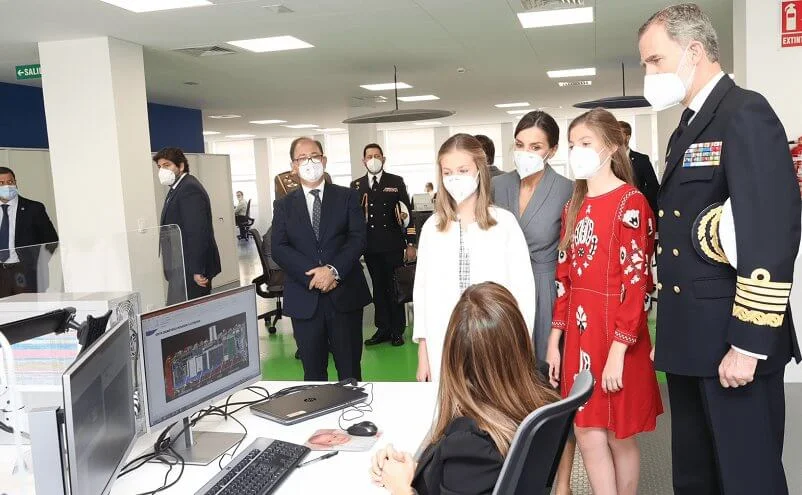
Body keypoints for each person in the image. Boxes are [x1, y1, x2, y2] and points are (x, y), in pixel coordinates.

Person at [639, 5, 801, 494]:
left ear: (693, 51)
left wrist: (748, 343)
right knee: (696, 477)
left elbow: (771, 232)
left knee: (746, 477)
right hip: (691, 342)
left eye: (653, 60)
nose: (648, 73)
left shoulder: (744, 112)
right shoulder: (687, 127)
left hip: (733, 344)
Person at [546, 108, 663, 495]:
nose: (576, 151)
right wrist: (554, 341)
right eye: (573, 145)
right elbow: (564, 280)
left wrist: (618, 349)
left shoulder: (631, 203)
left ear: (611, 148)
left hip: (617, 334)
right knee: (585, 430)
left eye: (586, 144)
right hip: (579, 333)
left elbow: (637, 282)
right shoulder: (573, 207)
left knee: (618, 434)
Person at [370, 282, 558, 495]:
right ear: (518, 339)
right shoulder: (540, 389)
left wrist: (401, 488)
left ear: (454, 355)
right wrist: (416, 471)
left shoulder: (471, 447)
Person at [491, 110, 574, 495]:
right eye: (520, 145)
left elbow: (572, 255)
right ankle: (509, 474)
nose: (525, 153)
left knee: (548, 389)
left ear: (552, 150)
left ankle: (560, 484)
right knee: (504, 381)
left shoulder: (568, 189)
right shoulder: (496, 186)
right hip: (503, 290)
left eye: (536, 146)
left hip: (546, 288)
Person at [412, 133, 536, 383]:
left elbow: (524, 291)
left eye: (462, 170)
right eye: (447, 172)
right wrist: (423, 351)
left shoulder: (504, 224)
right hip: (444, 337)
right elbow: (422, 292)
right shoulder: (432, 228)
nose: (454, 178)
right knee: (451, 411)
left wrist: (521, 344)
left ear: (479, 170)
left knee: (494, 404)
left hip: (495, 337)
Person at [271, 137, 372, 381]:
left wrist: (333, 270)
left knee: (350, 371)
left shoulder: (347, 197)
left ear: (324, 160)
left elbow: (358, 238)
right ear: (294, 166)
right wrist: (315, 274)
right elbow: (279, 248)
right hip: (305, 298)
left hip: (344, 294)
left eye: (315, 156)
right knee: (313, 374)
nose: (309, 162)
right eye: (302, 158)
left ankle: (352, 418)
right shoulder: (283, 205)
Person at [352, 143, 416, 348]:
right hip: (370, 247)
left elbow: (408, 214)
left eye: (377, 155)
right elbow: (353, 219)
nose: (373, 159)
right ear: (363, 161)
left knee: (394, 288)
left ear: (383, 159)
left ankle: (397, 330)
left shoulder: (395, 182)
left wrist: (411, 243)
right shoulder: (357, 185)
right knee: (378, 288)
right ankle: (383, 328)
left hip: (393, 244)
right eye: (369, 156)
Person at [155, 147, 221, 304]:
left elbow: (197, 231)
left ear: (181, 166)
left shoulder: (189, 188)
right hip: (180, 267)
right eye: (159, 167)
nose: (162, 170)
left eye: (167, 165)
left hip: (191, 269)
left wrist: (198, 270)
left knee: (193, 318)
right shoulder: (177, 188)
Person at [0, 166, 59, 298]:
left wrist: (35, 263)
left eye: (10, 182)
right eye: (1, 183)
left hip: (26, 273)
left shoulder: (34, 208)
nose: (6, 187)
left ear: (16, 183)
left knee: (29, 313)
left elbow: (51, 240)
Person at [619, 121, 659, 215]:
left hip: (635, 210)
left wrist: (637, 196)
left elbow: (653, 187)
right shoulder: (608, 160)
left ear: (627, 137)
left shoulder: (642, 159)